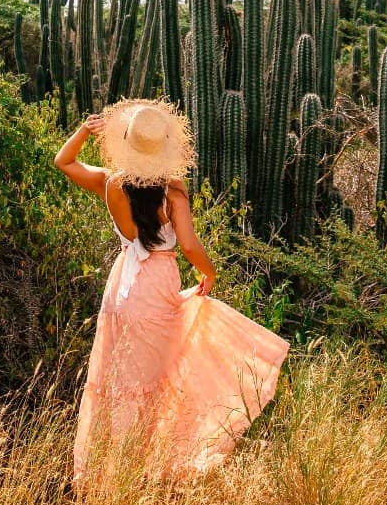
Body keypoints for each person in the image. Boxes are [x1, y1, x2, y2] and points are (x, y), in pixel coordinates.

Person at [54, 97, 289, 484]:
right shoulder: (173, 192)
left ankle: (110, 472)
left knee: (120, 380)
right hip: (157, 285)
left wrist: (83, 130)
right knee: (159, 378)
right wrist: (209, 273)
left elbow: (63, 161)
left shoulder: (109, 182)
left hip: (122, 290)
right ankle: (144, 470)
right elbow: (191, 245)